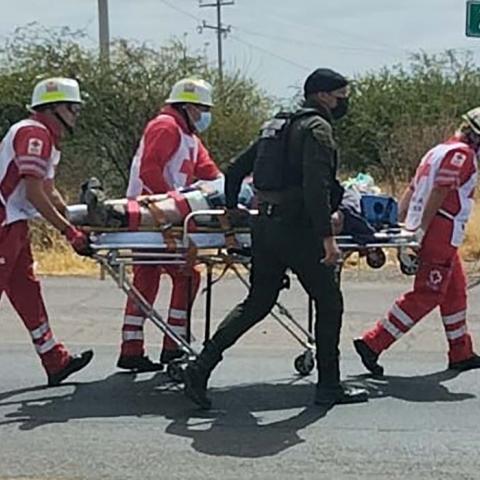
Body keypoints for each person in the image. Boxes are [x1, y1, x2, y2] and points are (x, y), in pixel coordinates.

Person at [182, 68, 369, 409]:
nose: (345, 102)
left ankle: (201, 366)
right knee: (329, 302)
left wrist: (230, 217)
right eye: (342, 95)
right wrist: (328, 239)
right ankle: (329, 385)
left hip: (264, 227)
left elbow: (236, 170)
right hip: (298, 229)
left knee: (258, 302)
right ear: (324, 95)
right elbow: (317, 188)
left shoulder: (277, 125)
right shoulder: (317, 129)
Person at [354, 107, 480, 376]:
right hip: (440, 228)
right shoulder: (462, 154)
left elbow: (413, 188)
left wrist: (395, 223)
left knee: (455, 289)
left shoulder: (437, 151)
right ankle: (373, 342)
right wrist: (421, 229)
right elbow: (440, 189)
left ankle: (461, 352)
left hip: (431, 226)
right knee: (429, 292)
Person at [117, 78, 221, 372]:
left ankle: (132, 347)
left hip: (159, 216)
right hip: (151, 216)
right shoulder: (165, 126)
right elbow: (150, 170)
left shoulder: (189, 136)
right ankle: (173, 344)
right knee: (187, 275)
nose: (204, 115)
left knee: (147, 277)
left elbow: (210, 175)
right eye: (202, 108)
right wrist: (173, 207)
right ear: (188, 106)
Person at [0, 77, 94, 386]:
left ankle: (55, 359)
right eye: (73, 108)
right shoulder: (33, 134)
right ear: (54, 108)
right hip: (3, 221)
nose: (76, 115)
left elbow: (50, 191)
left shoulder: (44, 139)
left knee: (27, 291)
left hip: (12, 223)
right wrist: (68, 233)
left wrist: (77, 222)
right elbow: (33, 193)